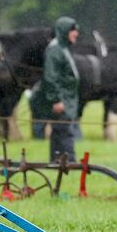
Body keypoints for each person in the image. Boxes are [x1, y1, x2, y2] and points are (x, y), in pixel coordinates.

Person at [31, 16, 80, 162]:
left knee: (60, 131)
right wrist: (56, 100)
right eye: (72, 30)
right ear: (64, 31)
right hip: (61, 99)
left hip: (66, 98)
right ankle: (69, 162)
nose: (76, 34)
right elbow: (50, 78)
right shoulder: (55, 49)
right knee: (64, 131)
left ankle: (57, 160)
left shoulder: (63, 48)